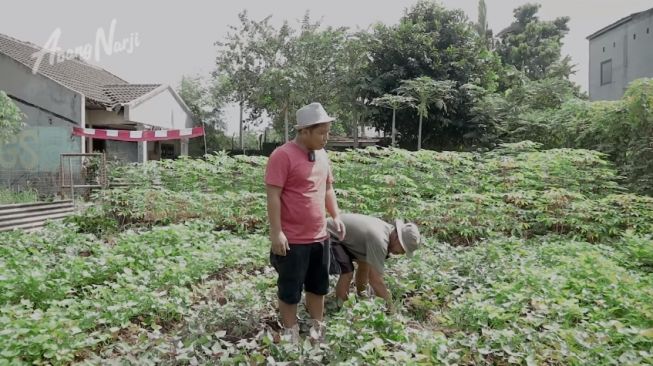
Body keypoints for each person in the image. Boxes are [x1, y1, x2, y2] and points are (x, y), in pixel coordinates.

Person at [265, 102, 345, 343]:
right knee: (290, 289)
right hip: (293, 239)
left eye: (327, 132)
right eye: (321, 133)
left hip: (320, 237)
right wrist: (276, 232)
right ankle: (290, 330)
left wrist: (336, 215)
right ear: (304, 131)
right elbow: (273, 196)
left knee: (318, 286)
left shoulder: (323, 156)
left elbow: (328, 188)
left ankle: (316, 327)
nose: (326, 138)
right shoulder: (282, 155)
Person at [327, 213, 421, 310]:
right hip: (326, 235)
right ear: (397, 238)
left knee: (365, 264)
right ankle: (341, 308)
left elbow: (364, 267)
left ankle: (359, 295)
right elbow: (376, 281)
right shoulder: (380, 240)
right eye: (403, 249)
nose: (401, 253)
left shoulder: (387, 231)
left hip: (339, 237)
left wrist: (362, 295)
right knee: (347, 272)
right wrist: (390, 308)